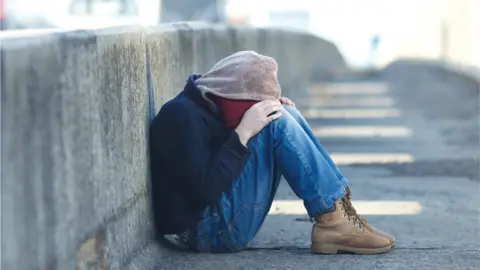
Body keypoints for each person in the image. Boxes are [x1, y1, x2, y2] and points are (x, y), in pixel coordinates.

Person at [150, 51, 395, 254]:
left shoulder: (210, 103)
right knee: (276, 124)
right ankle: (331, 220)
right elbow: (204, 190)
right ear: (230, 96)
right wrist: (242, 134)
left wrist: (268, 108)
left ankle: (339, 212)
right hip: (208, 231)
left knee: (285, 114)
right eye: (250, 103)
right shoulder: (181, 117)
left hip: (219, 217)